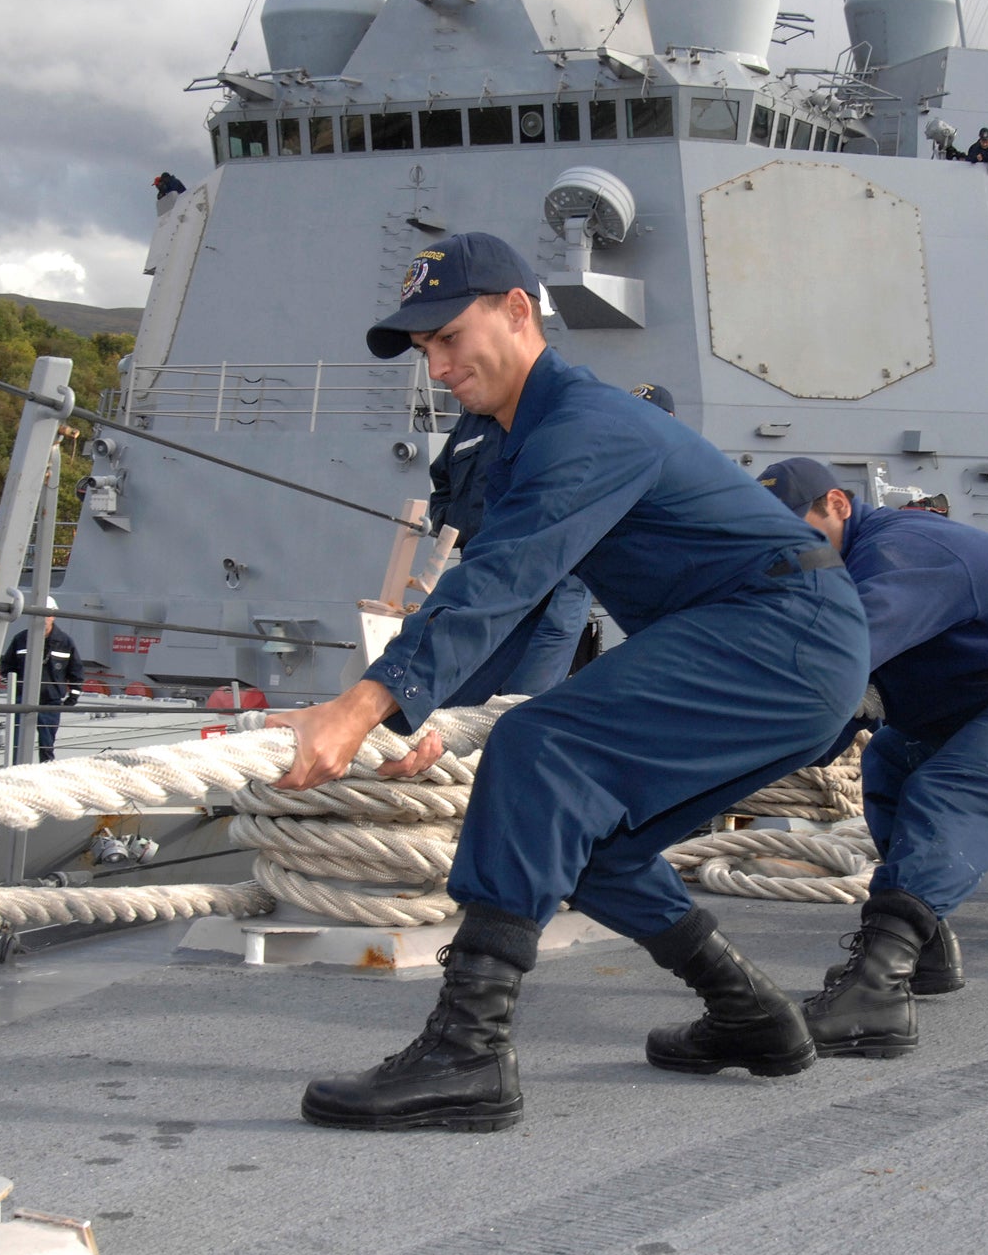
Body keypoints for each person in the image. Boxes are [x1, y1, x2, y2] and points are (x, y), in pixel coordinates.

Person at [278, 231, 869, 1132]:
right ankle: (753, 1013)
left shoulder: (587, 425)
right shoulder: (517, 438)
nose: (436, 367)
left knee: (538, 749)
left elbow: (501, 577)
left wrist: (365, 705)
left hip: (779, 636)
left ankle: (468, 1053)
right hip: (777, 647)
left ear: (519, 312)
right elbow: (511, 592)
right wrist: (418, 717)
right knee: (592, 847)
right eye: (424, 350)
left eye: (447, 337)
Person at [753, 458, 988, 1057]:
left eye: (795, 525)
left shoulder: (904, 549)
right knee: (889, 763)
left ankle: (876, 993)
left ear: (838, 505)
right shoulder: (839, 570)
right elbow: (833, 713)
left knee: (944, 794)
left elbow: (835, 663)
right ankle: (925, 952)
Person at [426, 400, 592, 697]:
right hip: (479, 584)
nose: (440, 371)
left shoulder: (557, 411)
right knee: (464, 709)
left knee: (520, 706)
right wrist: (453, 523)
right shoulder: (471, 421)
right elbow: (443, 483)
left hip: (547, 593)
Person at [0, 598, 84, 762]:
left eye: (46, 615)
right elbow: (8, 666)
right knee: (17, 742)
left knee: (47, 743)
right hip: (22, 700)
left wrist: (72, 698)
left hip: (50, 702)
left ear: (53, 616)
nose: (42, 619)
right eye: (38, 615)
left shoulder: (65, 643)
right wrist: (14, 687)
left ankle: (45, 770)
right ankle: (17, 769)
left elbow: (76, 671)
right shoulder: (21, 640)